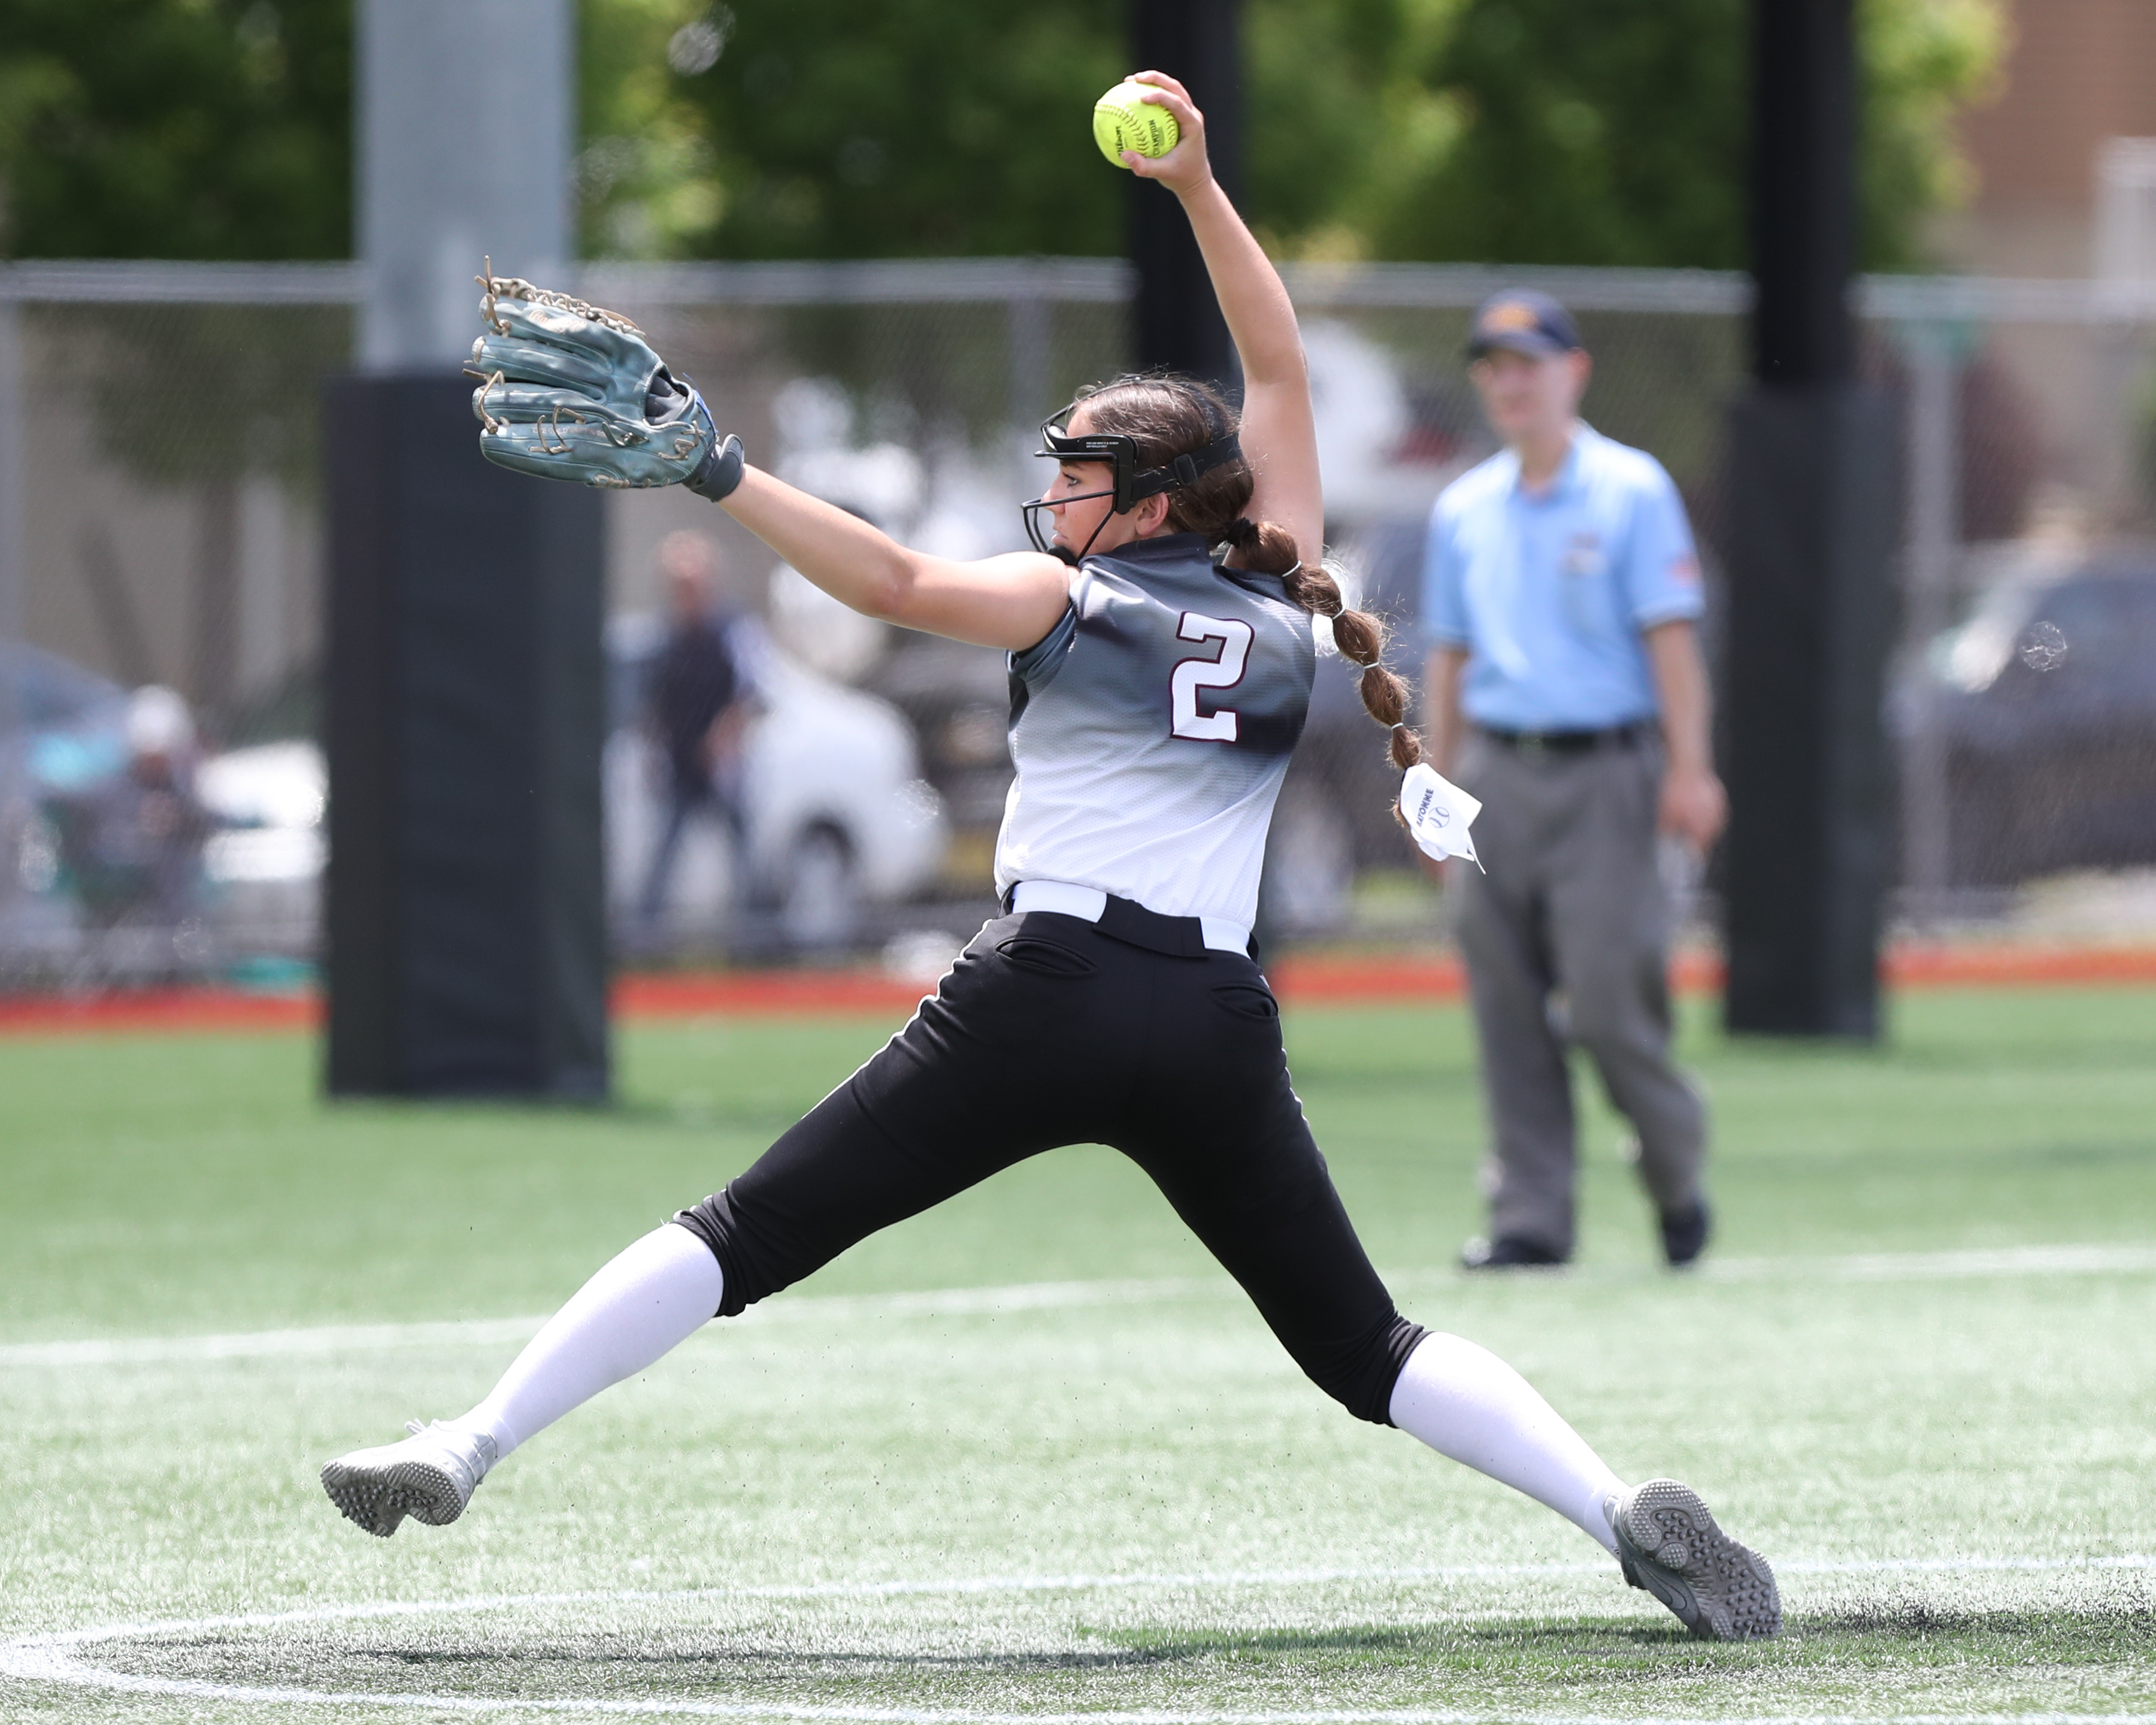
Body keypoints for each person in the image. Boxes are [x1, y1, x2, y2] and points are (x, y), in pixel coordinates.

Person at [323, 76, 1779, 1642]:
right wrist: (1204, 190)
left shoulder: (1068, 601)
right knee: (1367, 1347)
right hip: (1212, 1019)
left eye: (1082, 472)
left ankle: (463, 1442)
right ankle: (1618, 1509)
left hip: (1046, 992)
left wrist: (717, 471)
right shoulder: (1290, 605)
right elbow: (1276, 363)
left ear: (1147, 495)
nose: (1058, 493)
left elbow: (882, 578)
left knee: (742, 1236)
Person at [1422, 290, 1726, 1273]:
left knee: (1605, 1002)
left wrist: (1691, 772)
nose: (1510, 381)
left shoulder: (1631, 490)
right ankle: (1531, 1218)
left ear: (1573, 372)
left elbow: (1671, 642)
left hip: (1608, 774)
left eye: (1528, 362)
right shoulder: (1463, 507)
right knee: (1504, 1001)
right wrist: (1434, 784)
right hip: (1497, 773)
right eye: (1494, 365)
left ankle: (1674, 1171)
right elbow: (1450, 661)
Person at [636, 531, 749, 936]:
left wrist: (720, 740)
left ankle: (750, 940)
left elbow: (748, 694)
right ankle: (644, 939)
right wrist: (652, 751)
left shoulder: (730, 633)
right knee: (664, 853)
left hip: (723, 764)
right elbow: (655, 702)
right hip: (682, 761)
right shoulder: (667, 637)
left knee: (743, 858)